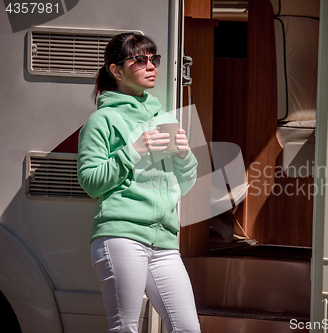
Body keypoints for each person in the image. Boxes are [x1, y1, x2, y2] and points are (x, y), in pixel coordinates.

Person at [77, 32, 200, 333]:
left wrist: (184, 155)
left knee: (187, 328)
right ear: (116, 71)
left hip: (164, 240)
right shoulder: (102, 120)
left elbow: (184, 184)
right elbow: (91, 182)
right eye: (140, 59)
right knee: (125, 328)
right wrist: (133, 152)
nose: (151, 66)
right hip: (121, 235)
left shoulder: (164, 117)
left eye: (154, 59)